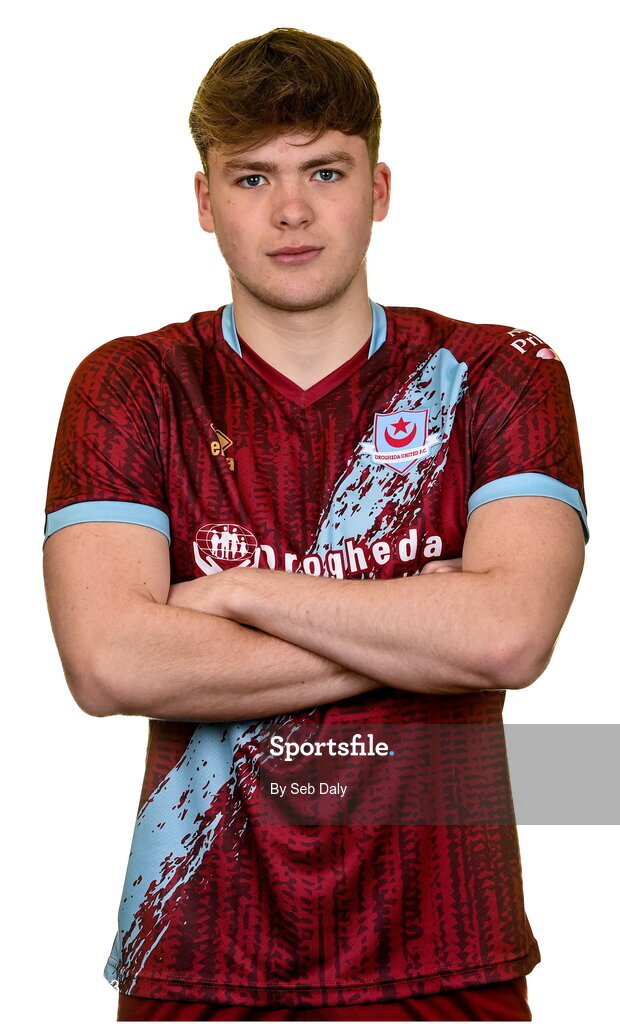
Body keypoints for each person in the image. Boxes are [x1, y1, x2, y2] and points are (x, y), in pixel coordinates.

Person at [43, 26, 587, 1023]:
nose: (291, 209)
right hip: (199, 963)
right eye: (250, 178)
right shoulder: (133, 385)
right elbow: (109, 662)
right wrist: (425, 630)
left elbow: (508, 633)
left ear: (376, 187)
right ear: (204, 203)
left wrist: (243, 594)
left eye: (323, 170)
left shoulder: (497, 373)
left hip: (443, 961)